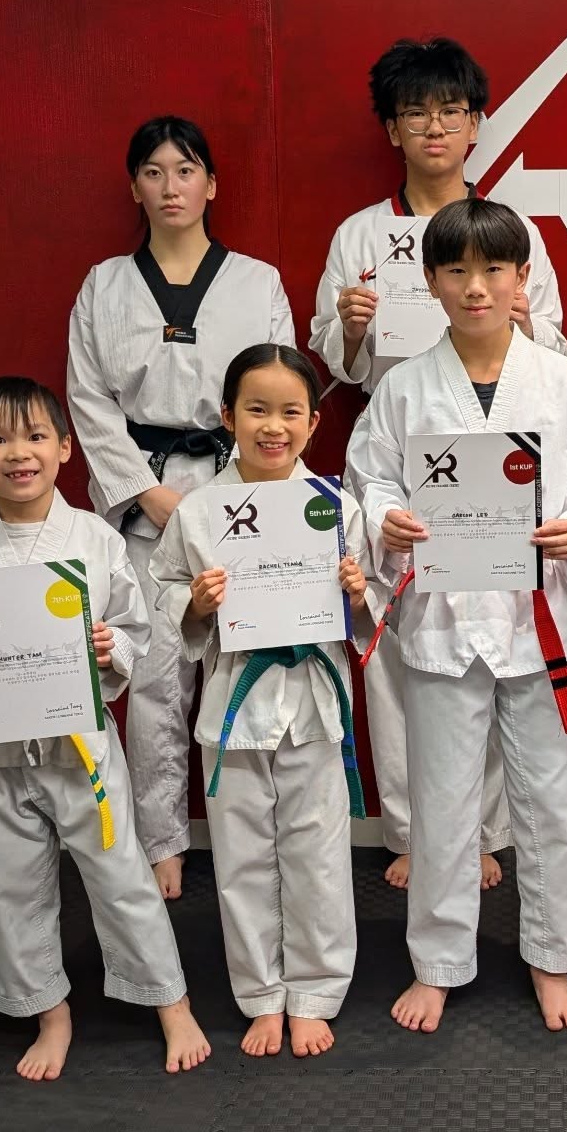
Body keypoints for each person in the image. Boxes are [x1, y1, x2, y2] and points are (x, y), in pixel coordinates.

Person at [309, 37, 565, 890]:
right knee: (405, 657)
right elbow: (339, 363)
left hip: (504, 463)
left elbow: (557, 356)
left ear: (476, 124)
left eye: (450, 110)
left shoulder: (508, 234)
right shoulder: (362, 234)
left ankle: (486, 831)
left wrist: (523, 316)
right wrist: (351, 324)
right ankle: (416, 832)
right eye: (415, 111)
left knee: (502, 648)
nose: (433, 126)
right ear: (392, 127)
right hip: (409, 445)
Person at [350, 197, 567, 1034]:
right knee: (444, 799)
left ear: (523, 276)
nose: (475, 286)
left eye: (494, 268)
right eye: (456, 270)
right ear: (428, 281)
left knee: (552, 797)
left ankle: (552, 956)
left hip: (538, 618)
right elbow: (371, 480)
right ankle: (439, 961)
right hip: (440, 617)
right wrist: (383, 523)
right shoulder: (401, 388)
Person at [0, 377, 211, 1080]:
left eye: (36, 436)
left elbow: (135, 625)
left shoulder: (96, 539)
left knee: (121, 874)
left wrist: (113, 649)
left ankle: (170, 999)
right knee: (10, 885)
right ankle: (49, 1010)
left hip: (82, 748)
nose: (20, 453)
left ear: (65, 449)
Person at [68, 116, 296, 900]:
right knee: (159, 673)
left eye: (186, 169)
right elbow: (88, 401)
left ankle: (253, 835)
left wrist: (231, 493)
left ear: (212, 184)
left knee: (247, 667)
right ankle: (161, 838)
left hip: (240, 495)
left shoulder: (257, 281)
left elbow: (278, 395)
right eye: (155, 172)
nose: (171, 187)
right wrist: (150, 494)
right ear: (135, 186)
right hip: (147, 497)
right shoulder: (104, 284)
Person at [150, 345, 369, 1058]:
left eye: (290, 413)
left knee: (320, 857)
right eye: (256, 410)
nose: (273, 427)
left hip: (313, 703)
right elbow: (166, 611)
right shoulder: (200, 513)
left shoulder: (336, 506)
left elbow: (370, 616)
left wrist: (356, 593)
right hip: (234, 708)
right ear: (226, 417)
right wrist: (197, 603)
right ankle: (260, 994)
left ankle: (313, 991)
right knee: (242, 860)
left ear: (312, 422)